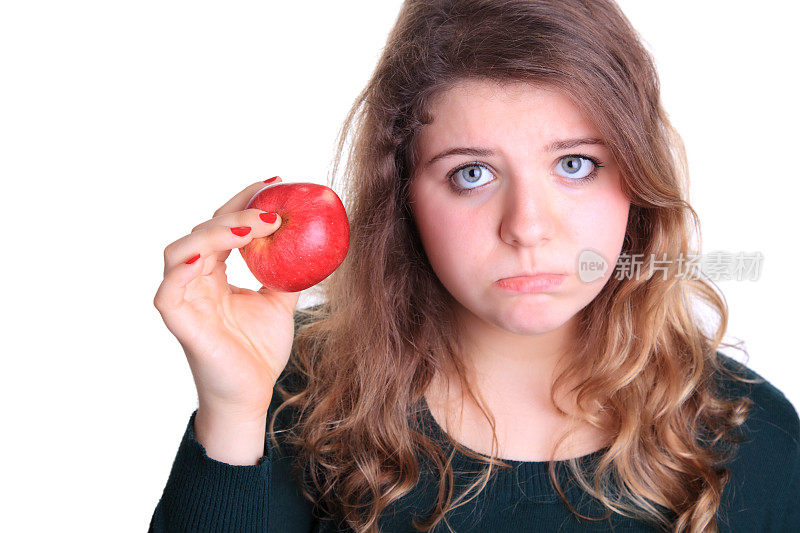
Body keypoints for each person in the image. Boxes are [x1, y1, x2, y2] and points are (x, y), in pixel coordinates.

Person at [149, 0, 799, 531]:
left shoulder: (755, 439)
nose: (527, 226)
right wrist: (233, 409)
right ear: (402, 197)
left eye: (575, 164)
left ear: (637, 180)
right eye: (472, 173)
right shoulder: (291, 401)